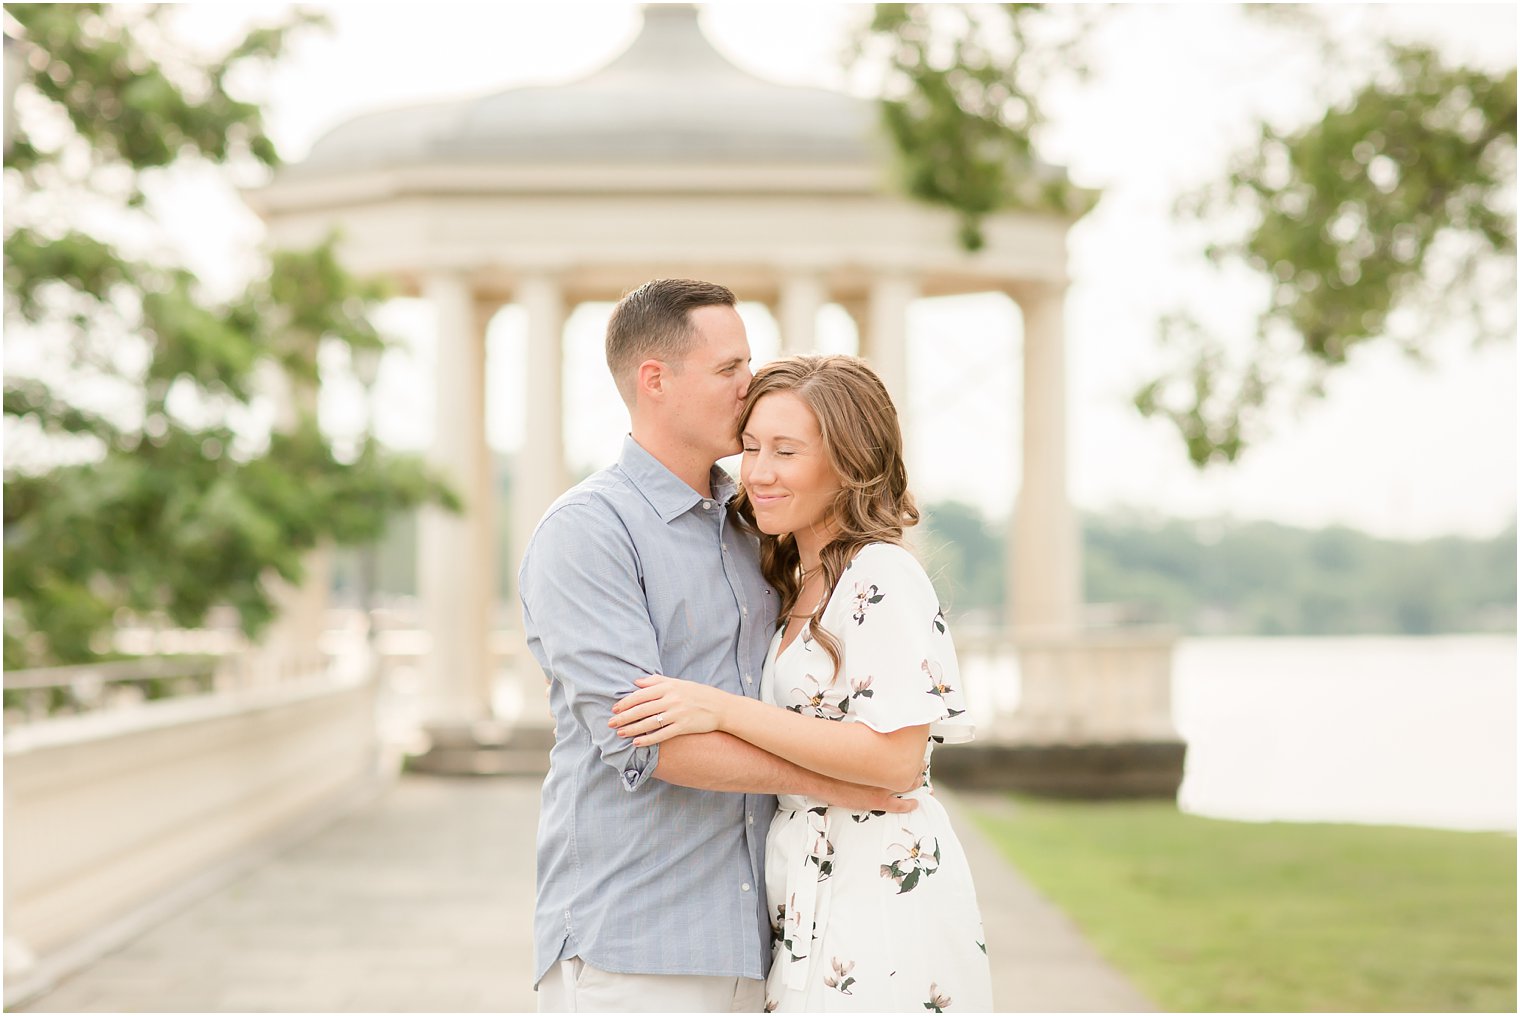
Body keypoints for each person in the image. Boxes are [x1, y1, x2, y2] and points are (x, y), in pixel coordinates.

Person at [519, 281, 915, 1014]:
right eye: (730, 368)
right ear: (656, 381)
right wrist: (833, 784)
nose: (751, 385)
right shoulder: (587, 533)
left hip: (766, 945)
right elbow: (646, 745)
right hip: (633, 947)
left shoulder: (752, 527)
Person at [609, 354, 995, 1013]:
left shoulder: (881, 575)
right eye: (752, 447)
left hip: (876, 884)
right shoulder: (795, 580)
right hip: (805, 884)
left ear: (847, 463)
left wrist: (721, 710)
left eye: (786, 452)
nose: (757, 473)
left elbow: (898, 759)